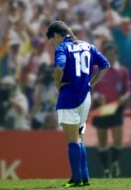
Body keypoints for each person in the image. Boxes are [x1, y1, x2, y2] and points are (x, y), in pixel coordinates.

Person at [46, 21, 110, 187]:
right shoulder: (87, 45)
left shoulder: (62, 48)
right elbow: (105, 65)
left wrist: (58, 85)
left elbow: (59, 68)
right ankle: (85, 177)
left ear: (58, 35)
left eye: (52, 39)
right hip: (85, 97)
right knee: (79, 137)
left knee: (72, 139)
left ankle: (76, 179)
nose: (53, 43)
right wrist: (91, 84)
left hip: (69, 97)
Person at [91, 43, 131, 178]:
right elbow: (90, 88)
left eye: (112, 53)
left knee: (118, 140)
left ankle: (114, 162)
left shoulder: (122, 71)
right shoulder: (97, 70)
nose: (110, 56)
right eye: (107, 53)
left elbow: (128, 90)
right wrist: (97, 97)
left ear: (116, 55)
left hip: (116, 108)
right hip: (101, 108)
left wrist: (123, 99)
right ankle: (106, 169)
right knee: (102, 139)